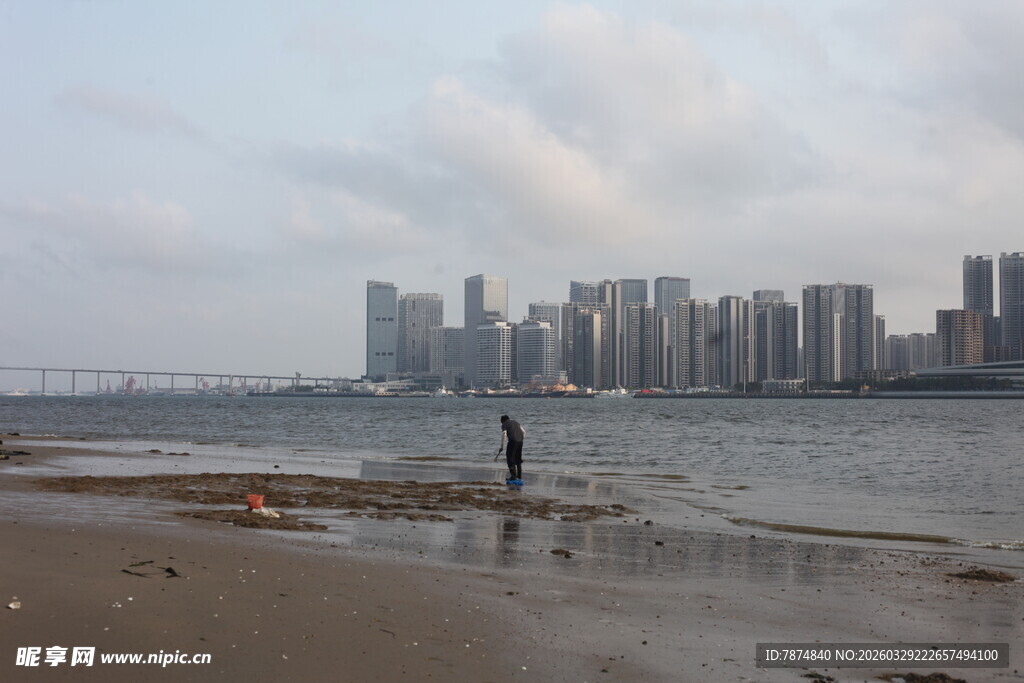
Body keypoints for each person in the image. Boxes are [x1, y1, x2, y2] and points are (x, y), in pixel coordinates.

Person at [498, 415, 525, 483]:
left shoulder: (504, 424)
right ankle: (519, 476)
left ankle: (513, 477)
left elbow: (504, 434)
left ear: (502, 420)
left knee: (510, 458)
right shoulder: (516, 422)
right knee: (518, 459)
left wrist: (501, 447)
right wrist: (521, 439)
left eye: (501, 422)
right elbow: (524, 432)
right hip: (520, 441)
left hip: (513, 441)